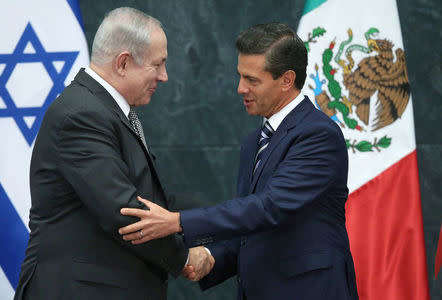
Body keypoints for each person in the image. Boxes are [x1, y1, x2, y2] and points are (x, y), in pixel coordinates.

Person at [118, 22, 359, 300]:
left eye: (252, 80)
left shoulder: (317, 134)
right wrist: (209, 256)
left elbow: (269, 207)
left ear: (286, 80)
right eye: (240, 76)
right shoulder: (253, 143)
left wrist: (178, 221)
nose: (240, 88)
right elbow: (251, 228)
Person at [14, 7, 213, 300]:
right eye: (158, 65)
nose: (165, 76)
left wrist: (220, 217)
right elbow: (126, 213)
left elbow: (150, 200)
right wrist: (184, 257)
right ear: (123, 63)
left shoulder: (103, 110)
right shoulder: (81, 115)